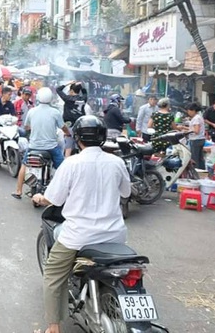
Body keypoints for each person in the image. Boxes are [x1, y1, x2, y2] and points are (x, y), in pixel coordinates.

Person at [31, 116, 130, 333]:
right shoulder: (117, 162)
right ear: (103, 138)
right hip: (114, 235)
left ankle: (53, 327)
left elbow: (54, 199)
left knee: (53, 275)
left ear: (77, 139)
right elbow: (126, 192)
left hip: (78, 236)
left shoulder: (71, 163)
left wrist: (40, 198)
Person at [12, 87, 68, 199]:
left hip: (33, 147)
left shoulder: (32, 111)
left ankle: (18, 191)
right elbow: (63, 127)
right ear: (51, 98)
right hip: (51, 147)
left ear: (38, 97)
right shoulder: (55, 112)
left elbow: (27, 126)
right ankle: (64, 193)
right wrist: (69, 133)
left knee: (24, 165)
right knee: (63, 168)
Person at [56, 81, 88, 157]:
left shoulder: (68, 99)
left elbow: (58, 89)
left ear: (71, 91)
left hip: (69, 124)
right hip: (80, 125)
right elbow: (85, 92)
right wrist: (81, 85)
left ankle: (67, 161)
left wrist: (68, 83)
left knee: (68, 146)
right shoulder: (83, 99)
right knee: (81, 145)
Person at [180, 102, 206, 170]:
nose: (188, 112)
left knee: (195, 158)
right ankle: (202, 171)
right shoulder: (199, 117)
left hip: (196, 140)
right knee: (200, 158)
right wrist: (184, 128)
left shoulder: (196, 118)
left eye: (188, 110)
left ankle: (196, 172)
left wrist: (186, 132)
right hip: (201, 139)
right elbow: (194, 128)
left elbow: (196, 131)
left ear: (193, 110)